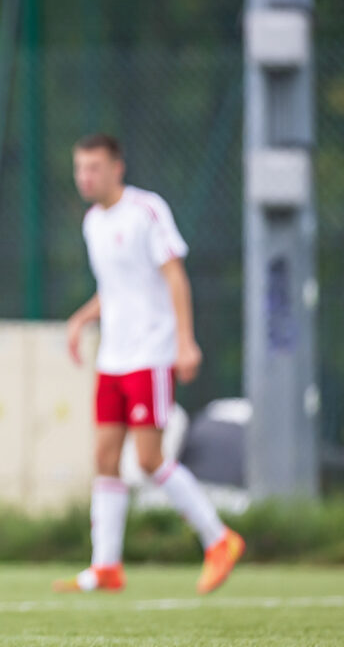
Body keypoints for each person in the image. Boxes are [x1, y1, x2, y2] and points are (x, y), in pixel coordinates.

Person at [54, 133, 244, 596]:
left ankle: (219, 539)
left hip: (150, 354)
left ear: (117, 168)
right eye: (80, 168)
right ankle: (106, 567)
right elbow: (114, 288)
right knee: (104, 457)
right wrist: (81, 318)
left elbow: (174, 276)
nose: (85, 177)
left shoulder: (147, 211)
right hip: (113, 358)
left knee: (149, 458)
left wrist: (185, 342)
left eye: (94, 168)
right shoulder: (92, 223)